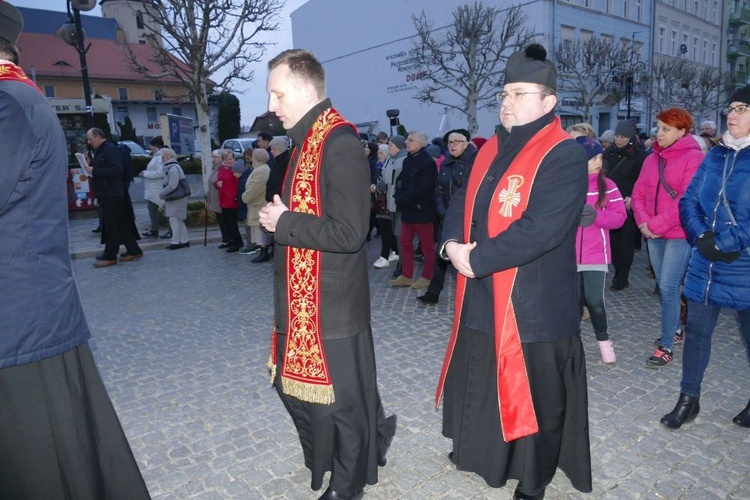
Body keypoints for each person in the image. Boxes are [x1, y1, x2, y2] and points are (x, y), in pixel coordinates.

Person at [0, 3, 150, 496]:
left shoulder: (9, 102)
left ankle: (126, 251)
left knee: (48, 471)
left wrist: (100, 173)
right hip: (26, 315)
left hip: (20, 318)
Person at [436, 44, 592, 499]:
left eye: (520, 93)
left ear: (549, 102)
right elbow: (459, 207)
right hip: (482, 294)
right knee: (483, 378)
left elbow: (541, 230)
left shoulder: (564, 154)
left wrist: (475, 259)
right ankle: (481, 453)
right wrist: (449, 246)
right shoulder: (488, 150)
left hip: (533, 304)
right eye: (504, 92)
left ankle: (533, 478)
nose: (507, 101)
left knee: (535, 397)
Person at [259, 49, 396, 500]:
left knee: (341, 404)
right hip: (303, 300)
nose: (272, 105)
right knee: (310, 390)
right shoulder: (303, 140)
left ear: (303, 89)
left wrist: (285, 224)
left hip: (330, 303)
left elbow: (351, 231)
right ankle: (363, 443)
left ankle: (348, 484)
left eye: (277, 94)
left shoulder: (336, 141)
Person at [660, 88, 750, 430]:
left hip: (743, 264)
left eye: (742, 108)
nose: (733, 114)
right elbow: (689, 200)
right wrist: (700, 236)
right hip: (705, 263)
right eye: (731, 108)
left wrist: (725, 242)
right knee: (696, 333)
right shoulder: (715, 154)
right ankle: (688, 400)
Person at [632, 107, 703, 368]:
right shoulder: (651, 159)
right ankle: (675, 329)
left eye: (666, 129)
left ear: (682, 132)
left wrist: (656, 225)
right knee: (663, 285)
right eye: (658, 128)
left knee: (669, 286)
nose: (658, 133)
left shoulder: (693, 158)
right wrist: (643, 222)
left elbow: (686, 199)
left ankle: (666, 345)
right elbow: (638, 192)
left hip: (677, 233)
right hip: (652, 232)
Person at [575, 137, 627, 363]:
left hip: (595, 254)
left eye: (599, 156)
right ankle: (569, 346)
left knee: (594, 301)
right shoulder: (565, 185)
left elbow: (619, 218)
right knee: (571, 303)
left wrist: (597, 217)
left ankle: (604, 341)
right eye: (593, 158)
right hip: (566, 255)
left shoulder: (609, 186)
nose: (599, 161)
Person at [417, 128, 477, 305]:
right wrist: (443, 212)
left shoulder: (475, 162)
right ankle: (433, 293)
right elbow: (438, 191)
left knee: (466, 258)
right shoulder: (446, 164)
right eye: (450, 142)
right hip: (447, 217)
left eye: (457, 141)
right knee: (441, 256)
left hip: (468, 218)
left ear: (466, 143)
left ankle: (471, 299)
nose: (453, 145)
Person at [84, 128, 143, 267]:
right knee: (120, 223)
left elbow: (116, 170)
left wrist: (94, 170)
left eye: (90, 139)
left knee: (112, 226)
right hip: (107, 192)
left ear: (99, 136)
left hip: (111, 193)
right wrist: (90, 165)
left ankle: (110, 255)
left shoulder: (110, 149)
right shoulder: (101, 150)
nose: (89, 142)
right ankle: (134, 250)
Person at [603, 119, 648, 290]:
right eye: (617, 136)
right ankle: (618, 271)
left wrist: (634, 198)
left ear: (630, 137)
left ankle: (621, 277)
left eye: (623, 136)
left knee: (625, 243)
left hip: (628, 204)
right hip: (610, 202)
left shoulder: (641, 155)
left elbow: (642, 180)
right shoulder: (609, 153)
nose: (619, 140)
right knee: (613, 243)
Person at [390, 131, 437, 290]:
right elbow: (401, 181)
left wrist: (402, 197)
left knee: (427, 246)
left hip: (422, 210)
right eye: (407, 140)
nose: (407, 143)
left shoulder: (427, 162)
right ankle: (407, 275)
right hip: (408, 209)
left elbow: (423, 188)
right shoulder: (409, 159)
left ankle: (427, 276)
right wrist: (398, 196)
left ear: (421, 144)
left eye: (411, 140)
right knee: (404, 242)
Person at [372, 135, 406, 269]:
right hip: (389, 203)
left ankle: (402, 264)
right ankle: (399, 259)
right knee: (393, 232)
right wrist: (379, 185)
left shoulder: (404, 160)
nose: (389, 147)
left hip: (400, 203)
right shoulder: (389, 160)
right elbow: (384, 179)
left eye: (391, 145)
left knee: (400, 234)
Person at [241, 148, 272, 263]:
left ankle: (264, 253)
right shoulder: (259, 169)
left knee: (260, 230)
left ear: (258, 158)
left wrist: (245, 197)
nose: (251, 157)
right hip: (256, 204)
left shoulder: (262, 170)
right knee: (258, 229)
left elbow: (255, 188)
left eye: (253, 155)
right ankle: (262, 251)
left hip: (259, 204)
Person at [159, 148, 190, 250]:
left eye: (163, 156)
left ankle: (175, 241)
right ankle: (184, 240)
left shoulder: (172, 168)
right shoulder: (174, 167)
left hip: (176, 197)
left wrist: (161, 194)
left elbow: (172, 185)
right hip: (178, 196)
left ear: (168, 157)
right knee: (178, 219)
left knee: (173, 219)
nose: (162, 159)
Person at [215, 148, 243, 252]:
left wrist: (234, 196)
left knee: (232, 224)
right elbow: (219, 180)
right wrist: (217, 184)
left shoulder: (235, 168)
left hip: (232, 199)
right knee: (226, 223)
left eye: (230, 159)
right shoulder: (222, 168)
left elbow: (237, 184)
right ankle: (232, 241)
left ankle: (236, 243)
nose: (228, 161)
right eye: (226, 159)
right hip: (223, 199)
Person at [141, 135, 166, 237]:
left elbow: (160, 173)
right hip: (153, 188)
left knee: (165, 209)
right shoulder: (157, 155)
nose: (150, 147)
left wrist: (145, 174)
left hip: (157, 188)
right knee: (152, 208)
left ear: (155, 145)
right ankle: (154, 230)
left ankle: (169, 230)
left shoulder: (160, 156)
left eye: (151, 145)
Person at [207, 149, 229, 247]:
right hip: (215, 198)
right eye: (213, 157)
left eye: (216, 157)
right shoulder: (214, 168)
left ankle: (227, 239)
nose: (213, 159)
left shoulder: (222, 168)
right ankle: (225, 238)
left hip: (221, 198)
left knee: (224, 220)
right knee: (220, 220)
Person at [266, 136, 291, 202]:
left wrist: (272, 196)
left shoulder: (284, 163)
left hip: (279, 200)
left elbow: (280, 183)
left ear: (279, 149)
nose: (271, 151)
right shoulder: (277, 161)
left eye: (273, 149)